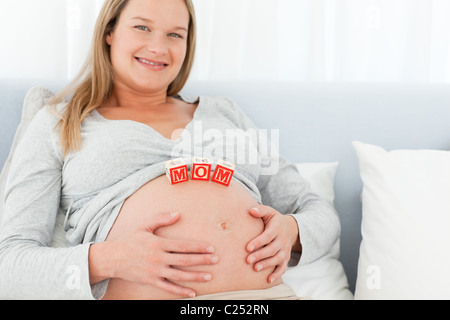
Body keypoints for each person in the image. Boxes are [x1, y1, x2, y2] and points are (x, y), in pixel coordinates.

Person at [0, 0, 340, 300]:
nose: (158, 47)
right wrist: (109, 258)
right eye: (142, 27)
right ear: (109, 31)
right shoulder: (60, 120)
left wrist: (294, 231)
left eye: (175, 34)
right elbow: (8, 265)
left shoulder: (225, 113)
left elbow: (319, 213)